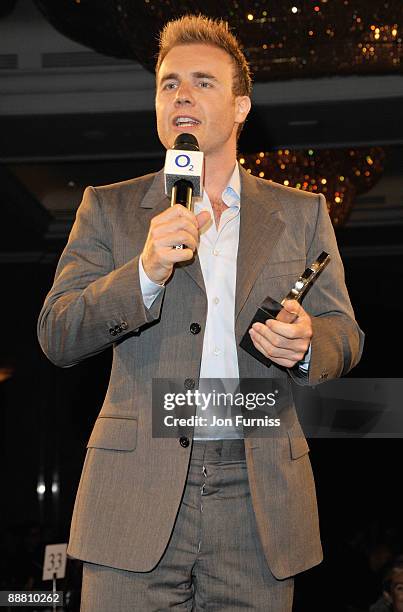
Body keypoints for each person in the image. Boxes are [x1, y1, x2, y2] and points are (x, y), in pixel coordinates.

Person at [37, 14, 364, 611]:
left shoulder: (300, 212)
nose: (181, 94)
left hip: (257, 489)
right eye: (168, 84)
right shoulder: (109, 210)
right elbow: (57, 332)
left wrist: (311, 339)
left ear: (242, 106)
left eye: (202, 82)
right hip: (137, 488)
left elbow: (346, 333)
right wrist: (143, 274)